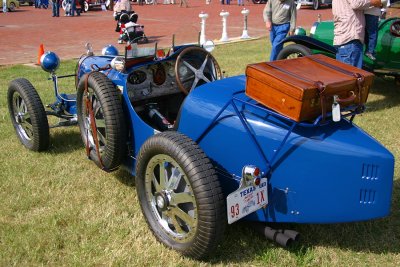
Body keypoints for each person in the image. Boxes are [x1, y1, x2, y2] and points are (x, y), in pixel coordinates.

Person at [332, 0, 383, 68]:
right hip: (350, 39)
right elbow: (356, 3)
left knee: (344, 75)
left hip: (343, 38)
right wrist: (373, 2)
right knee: (352, 75)